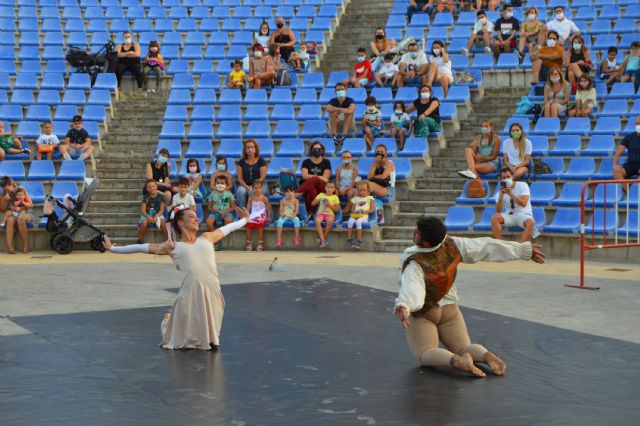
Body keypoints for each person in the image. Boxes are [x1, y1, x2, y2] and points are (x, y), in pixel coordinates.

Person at [394, 216, 545, 376]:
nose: (414, 232)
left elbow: (413, 287)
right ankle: (485, 355)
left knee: (425, 353)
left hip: (426, 312)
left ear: (424, 242)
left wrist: (404, 305)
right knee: (463, 348)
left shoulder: (414, 260)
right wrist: (522, 250)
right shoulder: (452, 244)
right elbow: (486, 246)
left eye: (417, 232)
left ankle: (458, 362)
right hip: (450, 310)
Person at [103, 205, 250, 351]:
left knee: (210, 339)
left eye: (196, 216)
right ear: (180, 222)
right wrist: (113, 249)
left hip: (212, 292)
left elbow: (229, 228)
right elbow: (141, 247)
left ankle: (174, 319)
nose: (196, 219)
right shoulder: (173, 247)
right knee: (184, 340)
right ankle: (168, 322)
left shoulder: (207, 237)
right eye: (191, 216)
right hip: (190, 294)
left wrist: (245, 219)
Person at [491, 167, 536, 242]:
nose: (506, 179)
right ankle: (499, 245)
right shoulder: (500, 192)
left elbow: (523, 203)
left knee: (531, 222)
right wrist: (501, 198)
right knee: (494, 218)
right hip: (510, 215)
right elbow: (498, 211)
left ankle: (520, 248)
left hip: (524, 214)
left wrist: (511, 194)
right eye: (504, 178)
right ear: (501, 180)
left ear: (512, 177)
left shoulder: (523, 185)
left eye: (508, 177)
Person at [296, 141, 332, 216]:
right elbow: (304, 176)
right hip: (309, 188)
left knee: (315, 180)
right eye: (315, 149)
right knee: (312, 191)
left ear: (322, 150)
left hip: (321, 187)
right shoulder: (306, 162)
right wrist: (319, 177)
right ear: (311, 150)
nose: (317, 151)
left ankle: (298, 193)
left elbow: (325, 178)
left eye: (319, 149)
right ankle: (311, 213)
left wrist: (314, 178)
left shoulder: (326, 162)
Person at [235, 139, 268, 209]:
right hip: (245, 185)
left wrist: (253, 186)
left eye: (252, 147)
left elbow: (262, 177)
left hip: (260, 185)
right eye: (248, 147)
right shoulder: (241, 162)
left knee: (252, 191)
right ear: (245, 150)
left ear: (255, 149)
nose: (250, 149)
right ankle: (243, 213)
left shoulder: (261, 161)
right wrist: (246, 186)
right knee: (240, 192)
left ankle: (253, 213)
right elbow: (240, 178)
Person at [2, 185, 33, 254]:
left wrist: (18, 208)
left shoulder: (21, 190)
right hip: (14, 213)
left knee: (20, 219)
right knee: (10, 220)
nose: (8, 189)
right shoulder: (6, 194)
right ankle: (10, 247)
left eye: (9, 187)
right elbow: (8, 208)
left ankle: (25, 245)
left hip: (25, 212)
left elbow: (30, 205)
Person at [346, 181, 375, 250]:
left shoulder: (370, 198)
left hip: (364, 216)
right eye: (360, 190)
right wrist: (354, 211)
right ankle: (349, 238)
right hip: (356, 215)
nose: (362, 192)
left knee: (358, 222)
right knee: (350, 222)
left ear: (368, 190)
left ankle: (359, 240)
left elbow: (372, 210)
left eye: (364, 190)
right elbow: (352, 208)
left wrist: (364, 211)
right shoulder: (356, 199)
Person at [312, 182, 340, 248]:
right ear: (325, 188)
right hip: (321, 213)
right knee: (317, 221)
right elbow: (312, 203)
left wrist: (330, 205)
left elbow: (337, 209)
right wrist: (316, 201)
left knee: (330, 221)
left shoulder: (335, 197)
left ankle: (322, 239)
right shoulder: (321, 195)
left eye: (331, 187)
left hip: (329, 214)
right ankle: (323, 240)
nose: (329, 189)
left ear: (334, 190)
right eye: (328, 187)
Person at [613, 115, 640, 183]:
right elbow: (618, 153)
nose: (638, 125)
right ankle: (629, 192)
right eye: (637, 124)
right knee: (616, 172)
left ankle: (635, 190)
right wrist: (615, 165)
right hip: (631, 164)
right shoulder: (629, 137)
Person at [245, 180, 271, 251]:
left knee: (260, 225)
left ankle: (260, 242)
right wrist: (246, 215)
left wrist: (268, 217)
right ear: (252, 189)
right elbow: (248, 207)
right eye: (256, 188)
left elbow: (268, 209)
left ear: (262, 188)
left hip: (261, 214)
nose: (258, 190)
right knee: (248, 224)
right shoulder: (251, 198)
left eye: (259, 188)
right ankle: (248, 242)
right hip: (253, 214)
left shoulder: (264, 198)